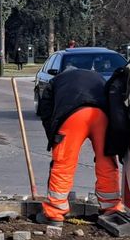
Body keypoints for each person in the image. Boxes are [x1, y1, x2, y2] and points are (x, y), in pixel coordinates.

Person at [36, 65, 120, 225]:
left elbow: (45, 110)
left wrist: (53, 137)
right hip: (101, 115)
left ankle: (55, 212)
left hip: (72, 116)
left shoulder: (56, 81)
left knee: (63, 162)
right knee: (106, 161)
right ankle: (111, 208)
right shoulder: (97, 77)